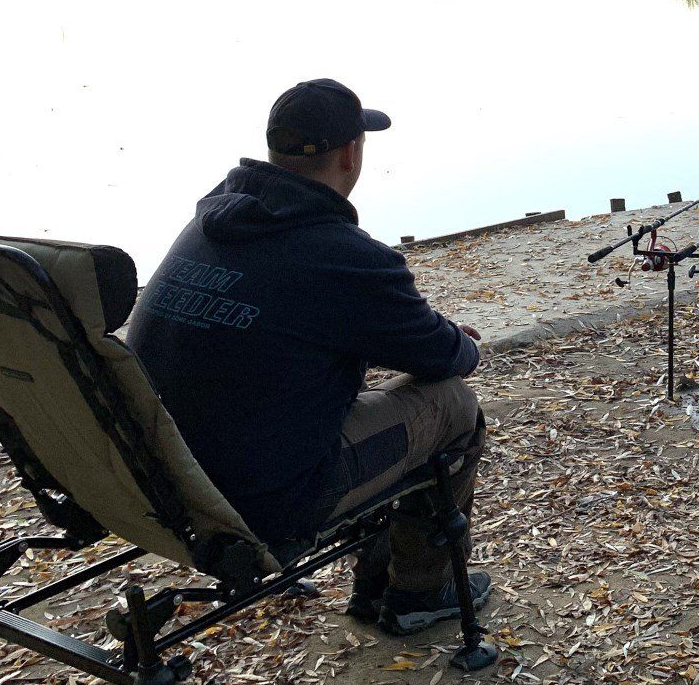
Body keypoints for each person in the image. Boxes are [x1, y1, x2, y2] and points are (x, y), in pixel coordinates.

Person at [130, 77, 490, 635]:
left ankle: (377, 575)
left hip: (155, 474)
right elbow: (443, 356)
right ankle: (420, 590)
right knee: (453, 406)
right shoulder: (343, 257)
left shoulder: (209, 224)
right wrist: (463, 343)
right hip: (262, 499)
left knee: (353, 393)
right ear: (350, 154)